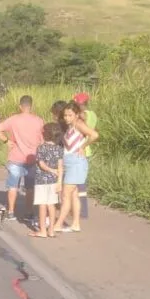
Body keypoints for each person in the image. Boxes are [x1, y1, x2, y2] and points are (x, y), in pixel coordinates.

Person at [0, 95, 45, 221]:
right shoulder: (39, 121)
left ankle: (11, 212)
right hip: (32, 158)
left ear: (20, 106)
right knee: (30, 187)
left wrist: (6, 141)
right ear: (31, 106)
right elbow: (43, 141)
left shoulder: (13, 119)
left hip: (15, 157)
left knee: (13, 186)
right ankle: (29, 212)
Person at [53, 100, 99, 234]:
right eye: (65, 115)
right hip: (70, 162)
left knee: (66, 195)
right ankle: (76, 224)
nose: (67, 118)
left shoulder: (79, 124)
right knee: (73, 195)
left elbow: (94, 135)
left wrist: (83, 147)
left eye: (70, 115)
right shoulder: (70, 126)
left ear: (77, 115)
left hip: (76, 163)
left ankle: (58, 224)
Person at [31, 123, 64, 238]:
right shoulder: (59, 149)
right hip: (54, 181)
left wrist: (50, 170)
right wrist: (59, 181)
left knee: (42, 205)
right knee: (52, 205)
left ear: (45, 134)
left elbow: (41, 164)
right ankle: (51, 230)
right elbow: (60, 166)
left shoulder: (41, 148)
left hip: (41, 180)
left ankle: (42, 231)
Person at [73, 92, 97, 220]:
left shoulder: (84, 116)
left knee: (79, 183)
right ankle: (79, 209)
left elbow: (82, 119)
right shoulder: (93, 114)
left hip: (81, 150)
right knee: (80, 182)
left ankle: (82, 210)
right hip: (86, 150)